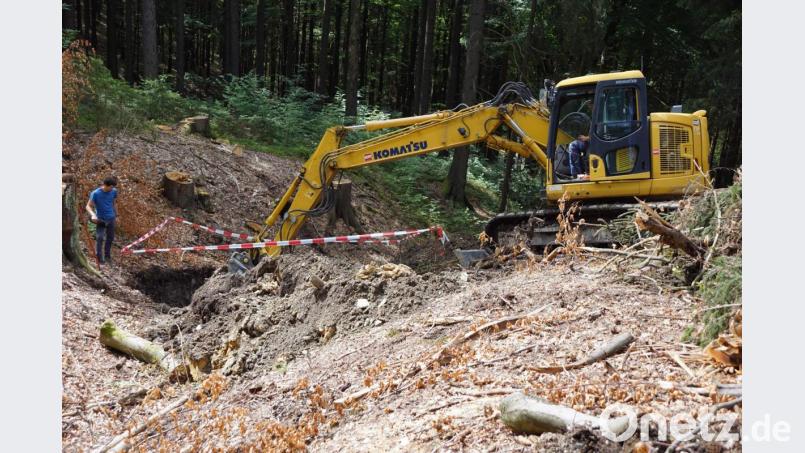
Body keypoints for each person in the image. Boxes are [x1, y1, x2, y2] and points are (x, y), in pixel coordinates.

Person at [86, 176, 119, 264]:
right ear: (105, 185)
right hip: (101, 219)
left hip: (111, 218)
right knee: (100, 237)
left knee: (110, 238)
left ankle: (107, 256)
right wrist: (93, 215)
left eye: (113, 187)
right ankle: (99, 258)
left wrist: (117, 215)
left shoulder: (114, 191)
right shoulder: (95, 193)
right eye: (111, 187)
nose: (112, 188)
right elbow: (88, 206)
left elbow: (114, 203)